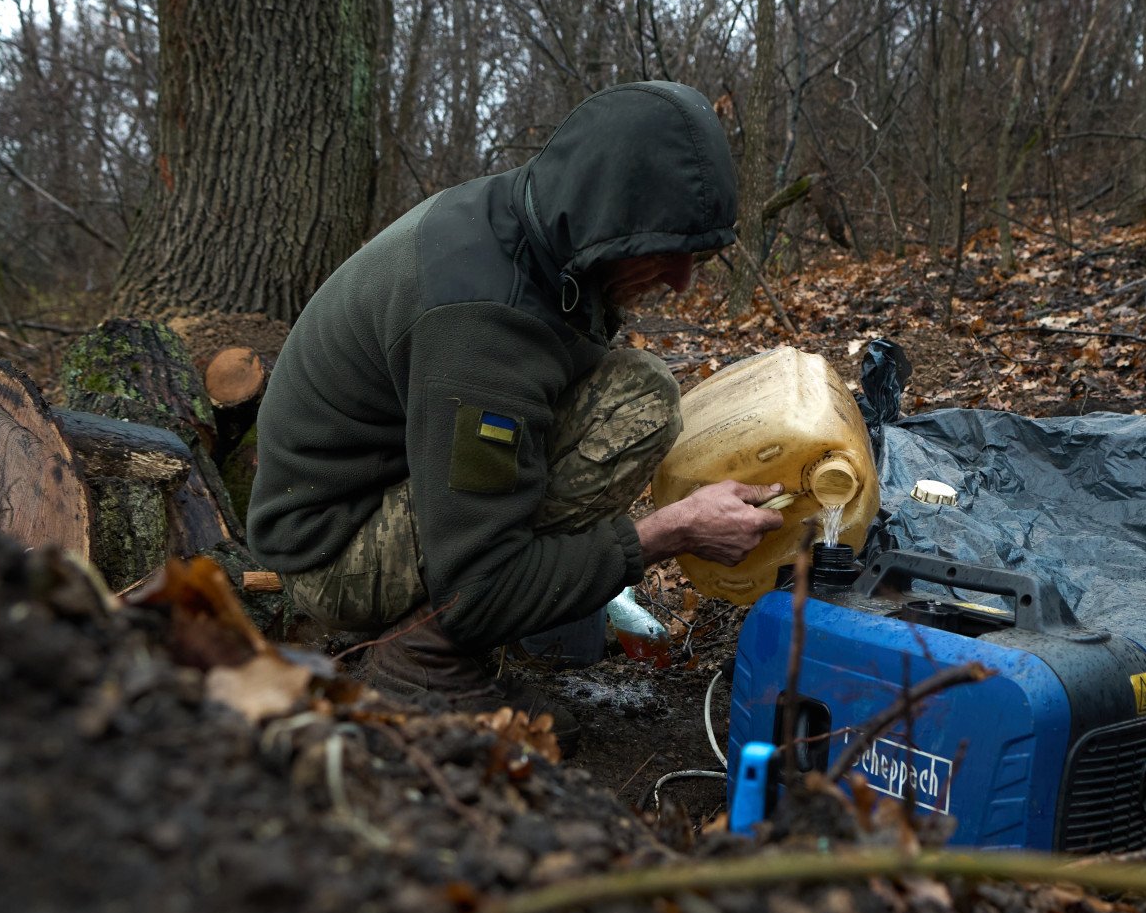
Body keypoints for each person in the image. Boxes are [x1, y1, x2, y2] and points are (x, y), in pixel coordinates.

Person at [247, 81, 783, 716]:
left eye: (697, 255)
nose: (680, 278)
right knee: (639, 407)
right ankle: (425, 653)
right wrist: (669, 532)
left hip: (389, 477)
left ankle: (520, 612)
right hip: (333, 550)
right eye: (664, 251)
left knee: (631, 389)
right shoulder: (482, 324)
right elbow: (479, 585)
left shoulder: (543, 226)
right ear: (609, 218)